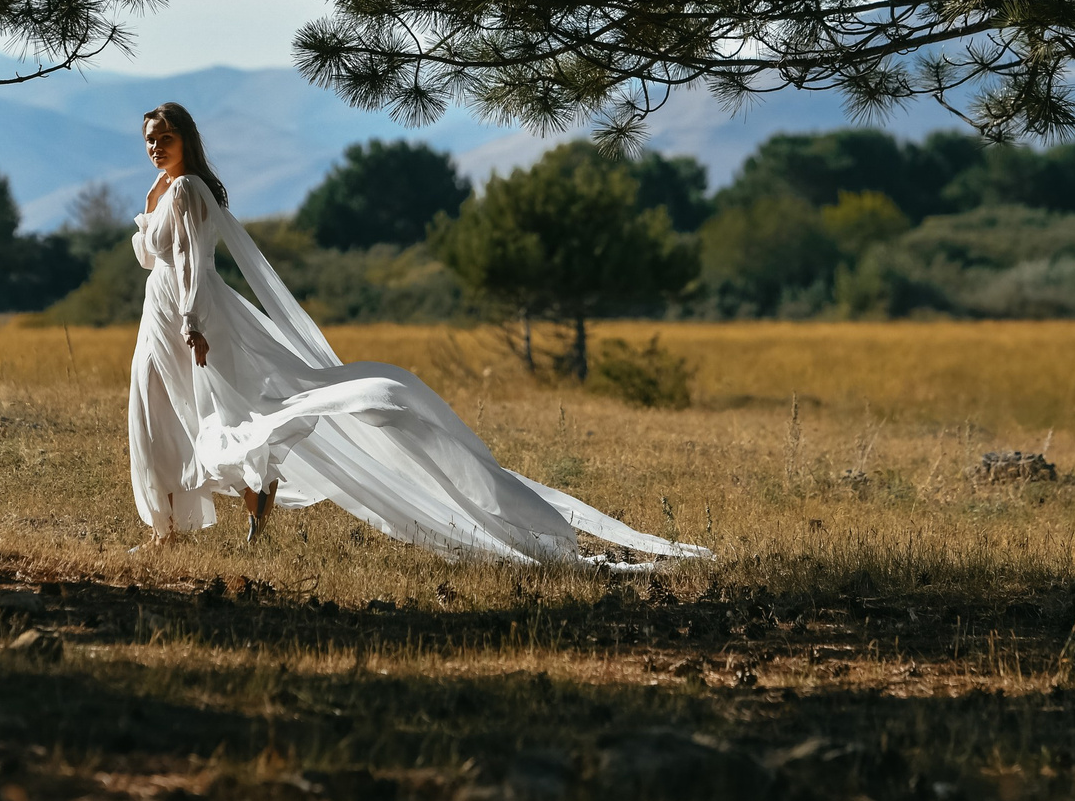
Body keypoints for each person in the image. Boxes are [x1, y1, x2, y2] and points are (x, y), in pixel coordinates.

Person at [127, 101, 710, 566]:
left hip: (186, 314)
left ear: (187, 140)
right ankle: (191, 517)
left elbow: (190, 263)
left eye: (165, 138)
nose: (156, 148)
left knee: (196, 412)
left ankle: (223, 499)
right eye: (150, 141)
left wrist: (192, 323)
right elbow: (155, 258)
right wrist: (150, 207)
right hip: (167, 312)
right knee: (176, 412)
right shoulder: (172, 192)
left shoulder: (186, 190)